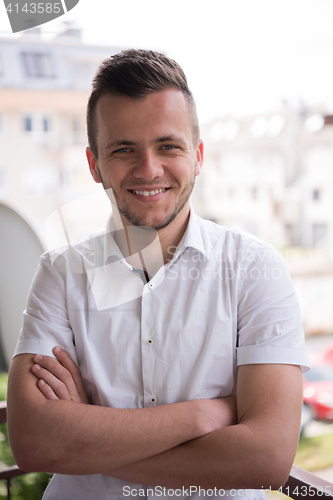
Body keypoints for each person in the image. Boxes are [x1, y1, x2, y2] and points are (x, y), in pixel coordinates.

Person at [7, 49, 310, 500]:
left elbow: (266, 458)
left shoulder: (255, 268)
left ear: (198, 156)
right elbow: (34, 443)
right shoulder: (60, 272)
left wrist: (86, 439)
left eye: (168, 146)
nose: (149, 169)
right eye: (123, 149)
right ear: (95, 165)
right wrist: (201, 416)